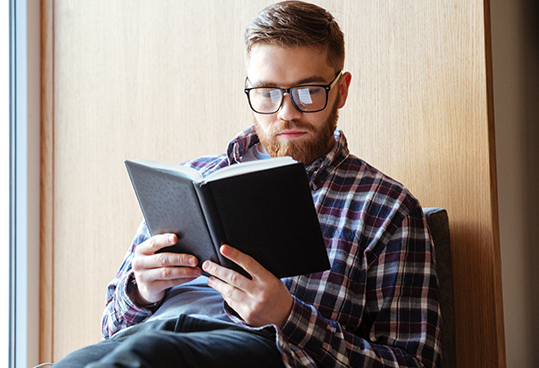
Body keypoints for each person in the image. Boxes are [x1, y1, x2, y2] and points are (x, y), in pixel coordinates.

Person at [53, 1, 441, 367]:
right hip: (142, 337)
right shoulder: (193, 177)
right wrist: (141, 289)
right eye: (268, 93)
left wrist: (288, 317)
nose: (287, 113)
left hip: (250, 348)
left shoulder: (386, 207)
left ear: (341, 90)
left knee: (145, 354)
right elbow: (112, 324)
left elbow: (415, 362)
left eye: (309, 92)